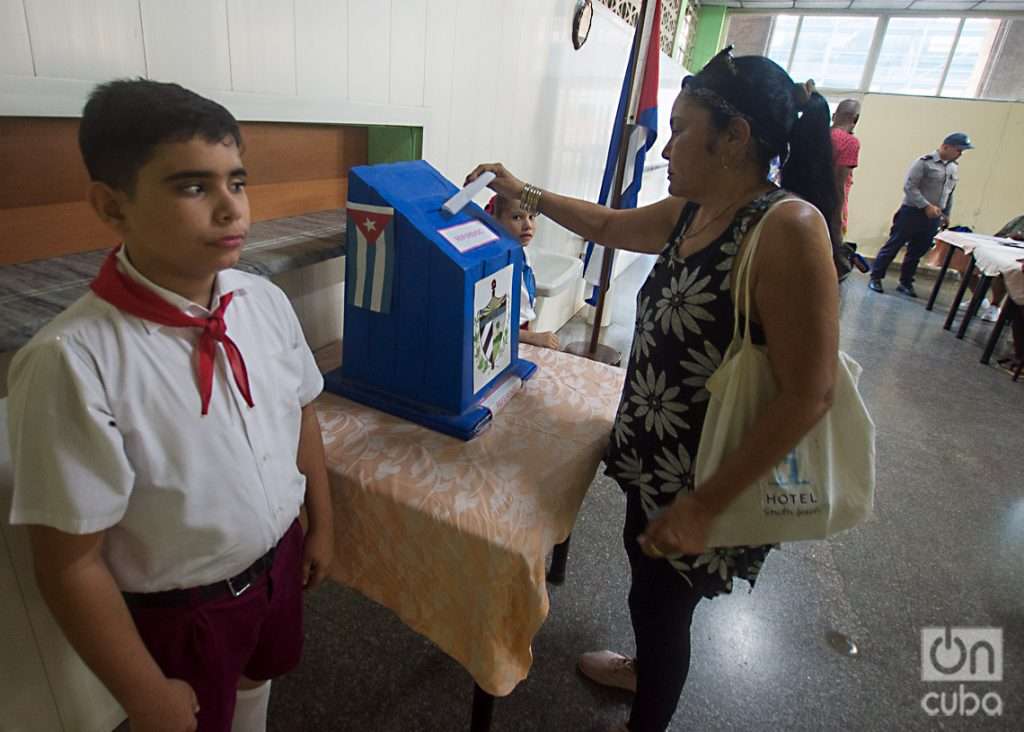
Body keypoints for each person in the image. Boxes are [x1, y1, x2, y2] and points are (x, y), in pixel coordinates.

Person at [467, 46, 840, 732]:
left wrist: (705, 505)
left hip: (711, 473)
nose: (666, 145)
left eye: (680, 128)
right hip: (659, 461)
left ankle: (650, 707)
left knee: (664, 610)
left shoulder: (786, 228)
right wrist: (529, 195)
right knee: (651, 591)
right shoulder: (694, 210)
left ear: (735, 138)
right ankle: (645, 670)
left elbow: (809, 393)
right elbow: (608, 226)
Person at [6, 80, 334, 732]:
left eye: (236, 182)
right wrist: (143, 693)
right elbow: (68, 563)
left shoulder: (262, 302)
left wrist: (320, 519)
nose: (230, 210)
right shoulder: (72, 360)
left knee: (256, 678)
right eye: (192, 187)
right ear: (112, 206)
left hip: (280, 561)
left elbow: (299, 408)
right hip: (187, 609)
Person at [868, 132, 973, 297]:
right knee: (894, 245)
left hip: (933, 217)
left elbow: (949, 193)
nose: (960, 154)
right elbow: (910, 187)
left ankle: (905, 282)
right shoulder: (924, 162)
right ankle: (876, 277)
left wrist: (945, 213)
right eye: (959, 150)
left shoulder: (953, 168)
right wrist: (925, 206)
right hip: (912, 212)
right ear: (946, 146)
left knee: (917, 251)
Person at [487, 194, 560, 349]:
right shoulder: (497, 266)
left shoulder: (520, 251)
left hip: (520, 331)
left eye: (532, 217)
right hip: (506, 338)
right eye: (517, 217)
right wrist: (532, 337)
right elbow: (491, 324)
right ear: (495, 221)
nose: (528, 225)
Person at [830, 99, 861, 238]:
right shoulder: (850, 142)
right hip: (830, 204)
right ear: (855, 119)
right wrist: (839, 217)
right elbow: (839, 182)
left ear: (834, 116)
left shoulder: (819, 134)